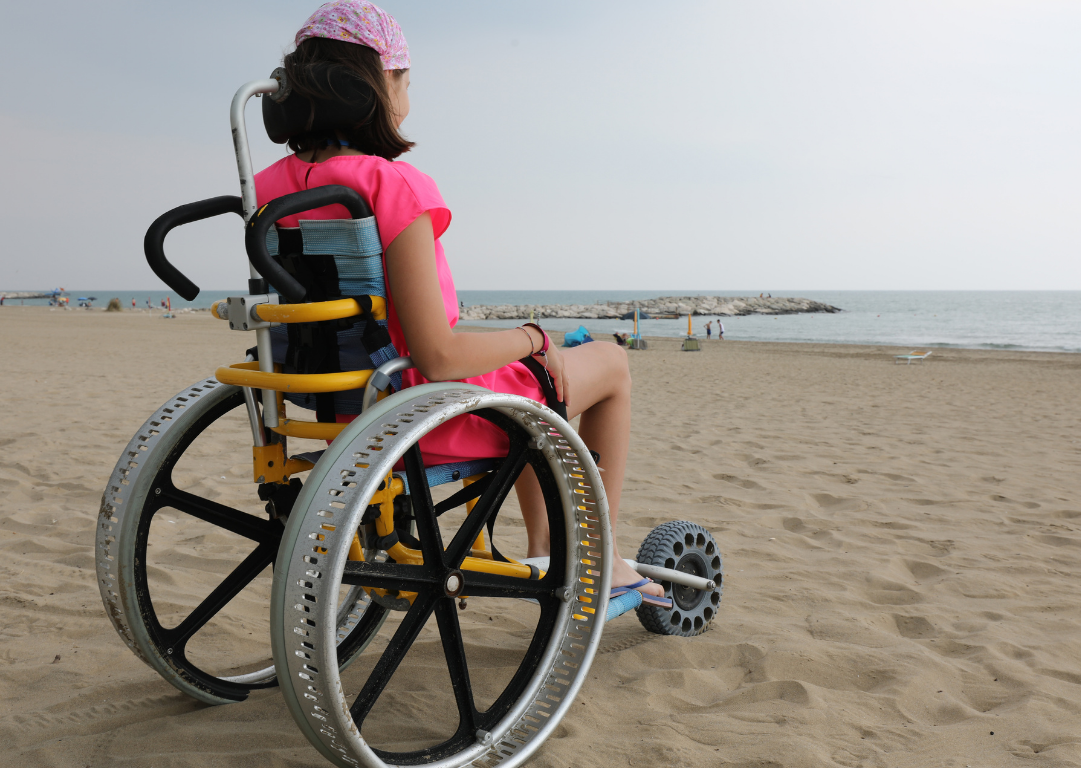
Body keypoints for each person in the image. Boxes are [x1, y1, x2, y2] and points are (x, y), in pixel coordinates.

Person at [254, 2, 663, 604]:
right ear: (377, 84)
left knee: (530, 381)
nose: (409, 98)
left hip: (332, 406)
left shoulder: (265, 187)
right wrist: (534, 337)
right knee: (603, 365)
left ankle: (550, 543)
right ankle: (591, 551)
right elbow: (440, 355)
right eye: (406, 81)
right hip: (414, 414)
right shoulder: (391, 185)